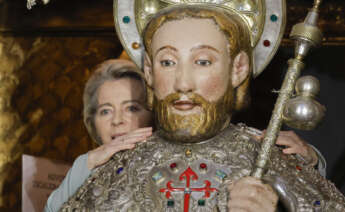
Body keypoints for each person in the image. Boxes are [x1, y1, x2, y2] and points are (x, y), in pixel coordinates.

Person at [60, 4, 345, 211]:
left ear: (238, 68)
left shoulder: (273, 163)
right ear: (148, 70)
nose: (183, 83)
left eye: (203, 62)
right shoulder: (118, 169)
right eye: (168, 62)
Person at [44, 59, 152, 212]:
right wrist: (88, 162)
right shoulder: (87, 169)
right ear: (93, 121)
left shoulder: (173, 165)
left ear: (153, 114)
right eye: (106, 111)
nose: (117, 120)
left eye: (131, 108)